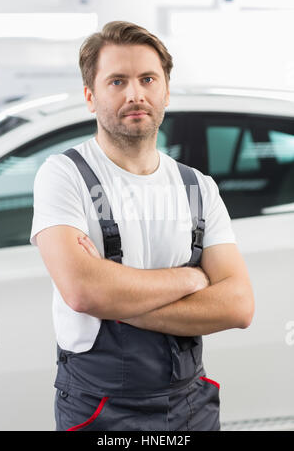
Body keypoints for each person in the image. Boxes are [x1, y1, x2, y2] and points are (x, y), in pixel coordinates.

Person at [30, 21, 254, 432]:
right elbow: (84, 292)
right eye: (117, 81)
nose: (135, 94)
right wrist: (192, 279)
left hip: (191, 406)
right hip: (99, 410)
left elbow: (238, 305)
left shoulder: (198, 187)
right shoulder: (64, 175)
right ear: (90, 97)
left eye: (147, 79)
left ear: (165, 91)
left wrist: (117, 298)